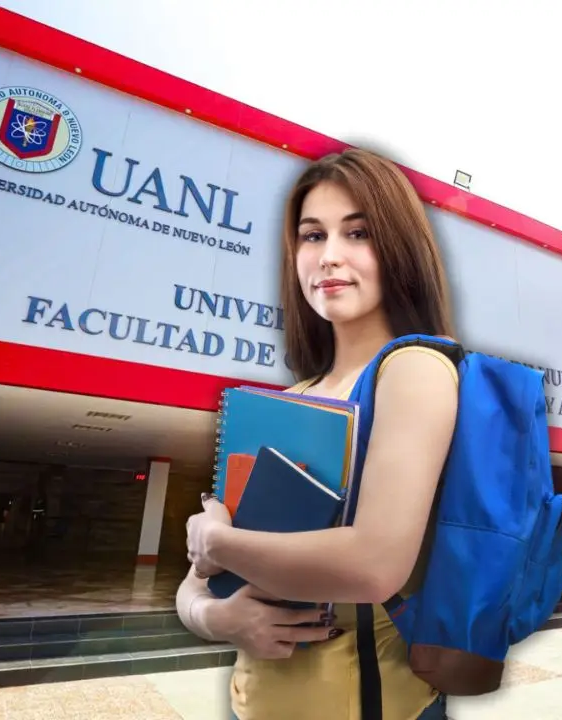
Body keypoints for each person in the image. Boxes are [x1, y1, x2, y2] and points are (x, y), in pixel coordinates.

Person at [177, 148, 459, 720]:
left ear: (399, 249)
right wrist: (219, 618)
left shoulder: (414, 370)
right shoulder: (292, 397)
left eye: (357, 233)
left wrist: (217, 541)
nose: (329, 257)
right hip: (255, 705)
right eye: (312, 236)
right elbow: (195, 587)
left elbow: (375, 565)